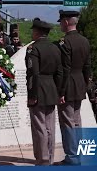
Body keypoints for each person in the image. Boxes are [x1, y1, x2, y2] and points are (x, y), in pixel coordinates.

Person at [53, 10, 91, 166]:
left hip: (67, 85)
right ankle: (78, 154)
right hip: (79, 83)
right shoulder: (84, 41)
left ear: (67, 22)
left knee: (67, 122)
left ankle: (72, 157)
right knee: (76, 121)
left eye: (61, 21)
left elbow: (65, 69)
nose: (61, 24)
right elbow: (87, 67)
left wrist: (61, 91)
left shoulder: (64, 42)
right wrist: (85, 85)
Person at [25, 18, 63, 165]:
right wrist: (59, 92)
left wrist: (32, 95)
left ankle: (42, 160)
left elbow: (33, 73)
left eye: (33, 31)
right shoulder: (55, 48)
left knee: (39, 128)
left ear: (37, 32)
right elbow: (60, 72)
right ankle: (50, 158)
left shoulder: (33, 49)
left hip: (38, 91)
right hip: (52, 90)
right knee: (50, 127)